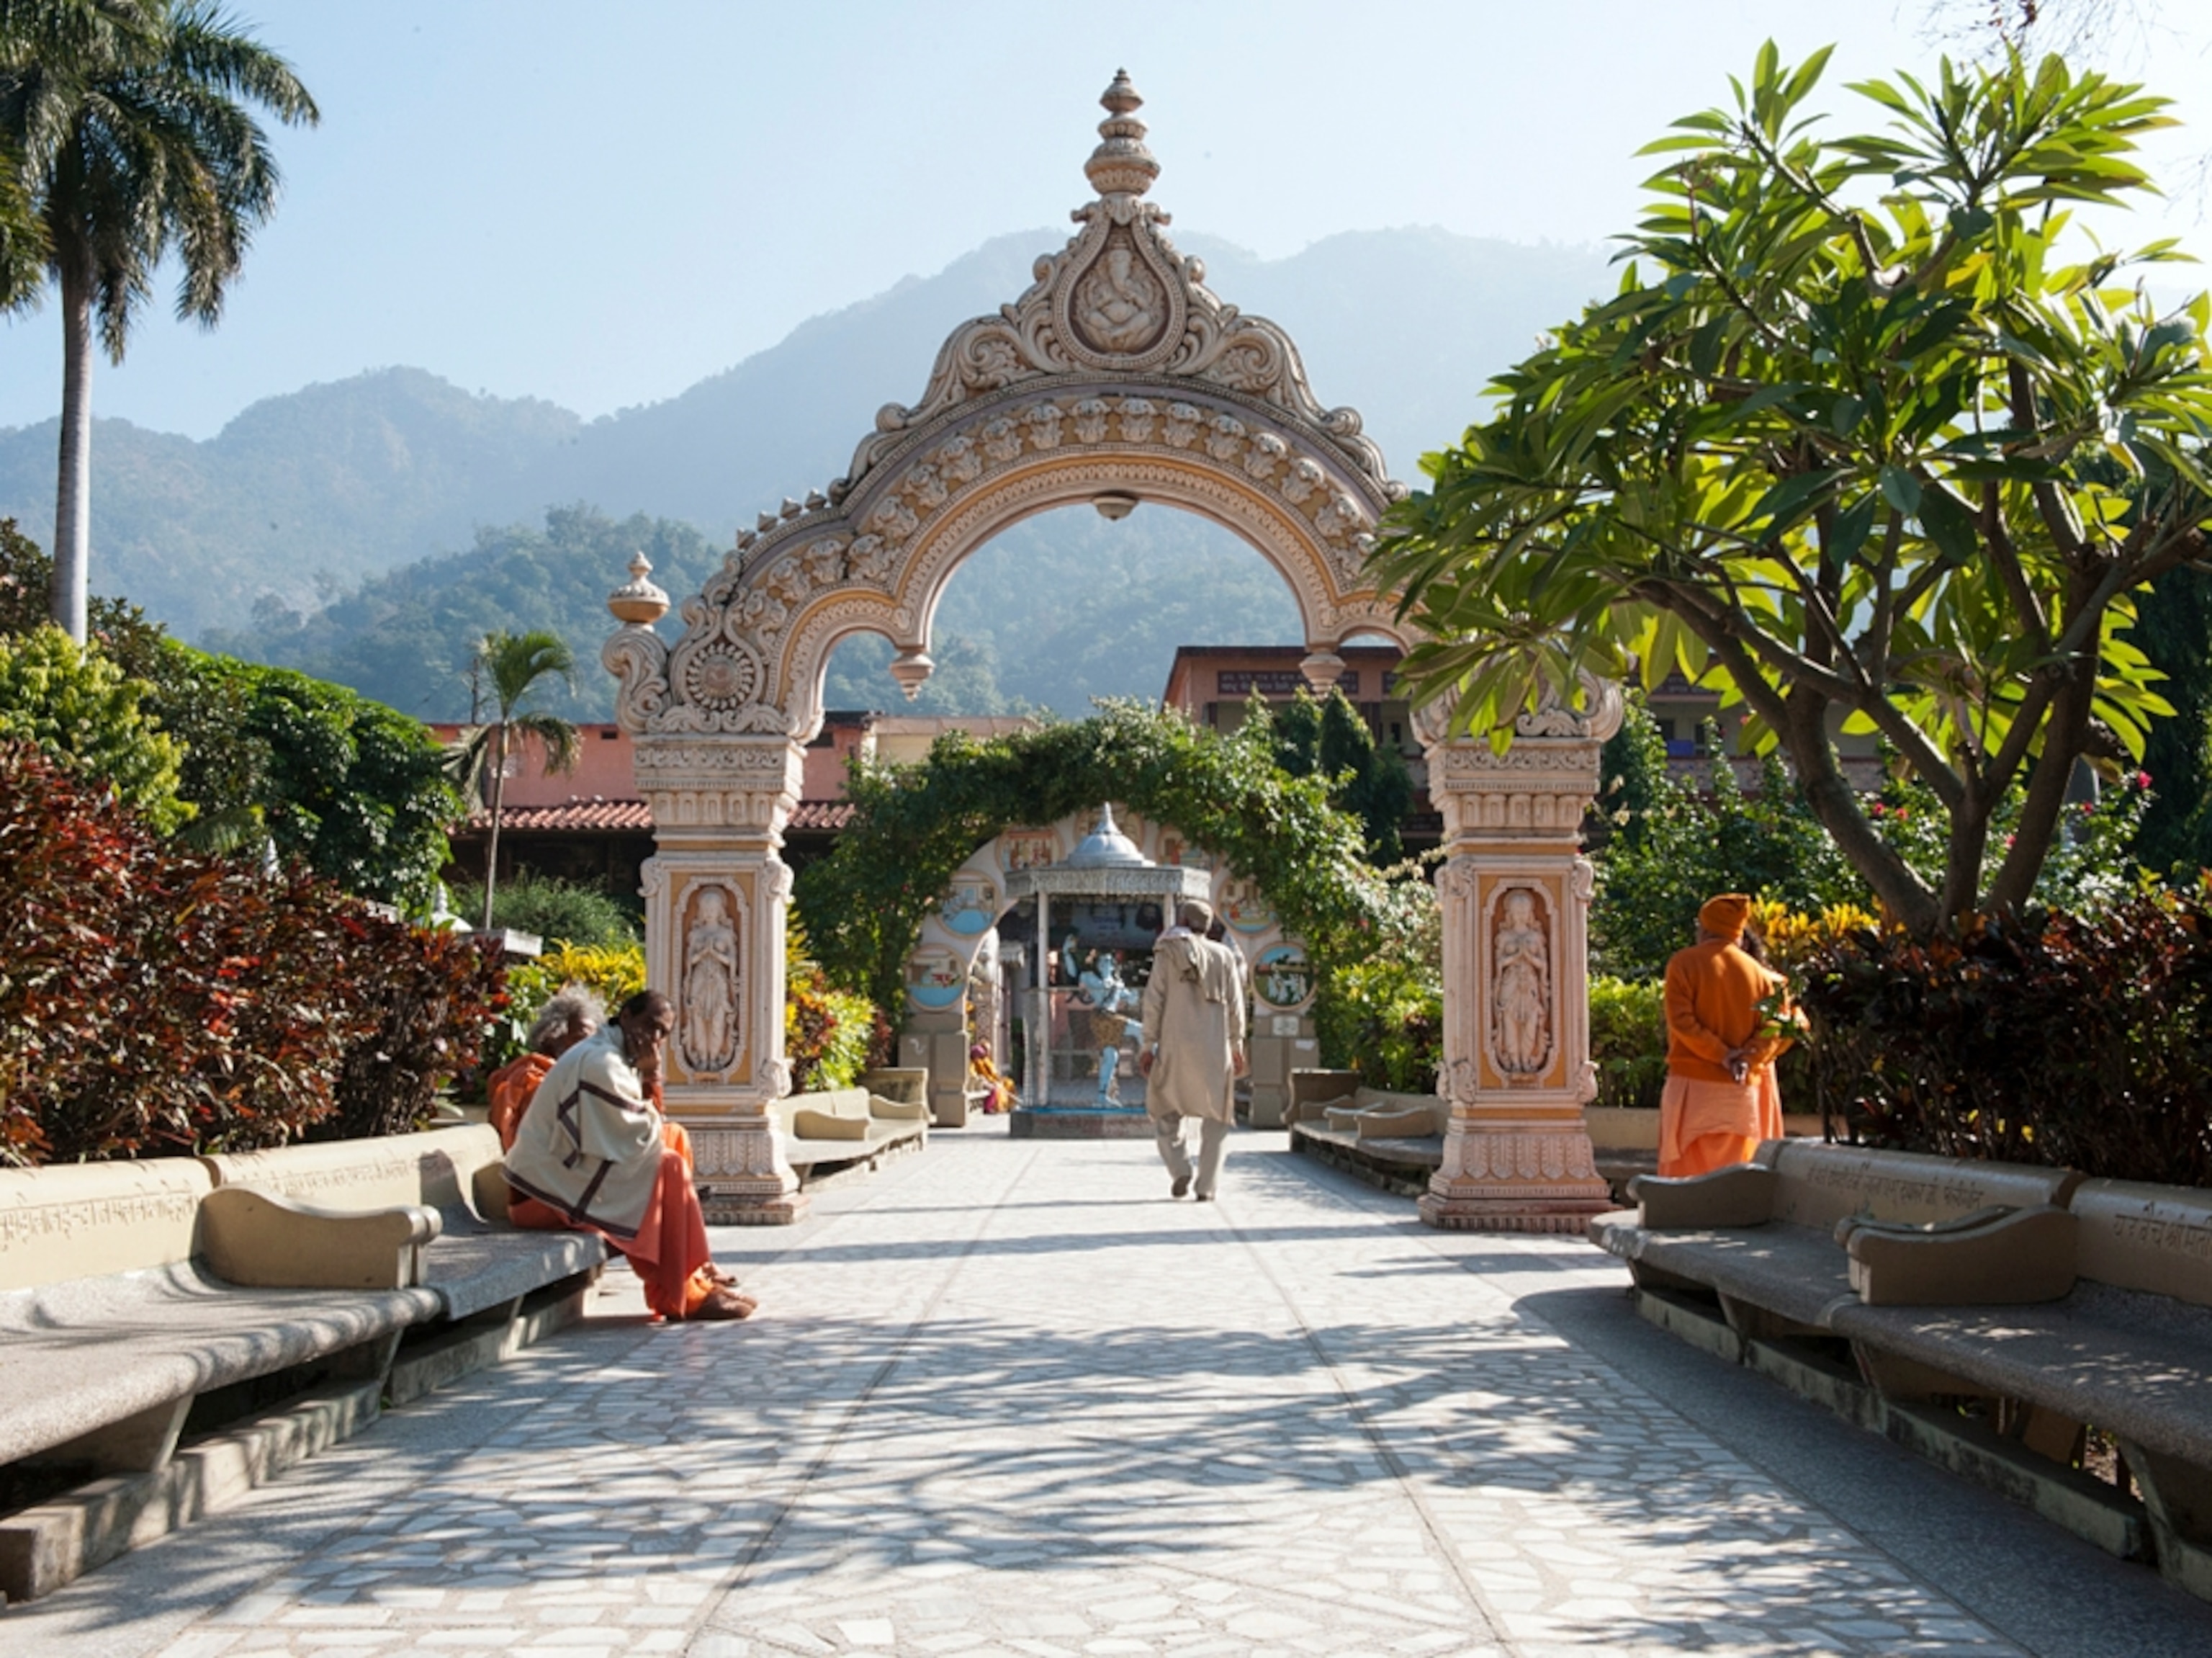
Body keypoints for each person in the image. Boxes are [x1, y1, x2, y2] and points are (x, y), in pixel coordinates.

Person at [505, 990, 755, 1321]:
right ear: (625, 1017)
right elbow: (636, 1137)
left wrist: (649, 1076)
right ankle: (679, 1291)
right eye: (649, 1026)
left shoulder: (615, 1054)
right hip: (543, 1196)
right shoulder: (601, 1062)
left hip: (567, 1178)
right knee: (669, 1165)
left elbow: (644, 1129)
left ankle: (694, 1273)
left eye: (662, 1033)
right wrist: (652, 1076)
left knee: (673, 1138)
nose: (653, 1037)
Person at [1658, 894, 1796, 1178]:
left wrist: (1722, 1054)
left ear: (1704, 928)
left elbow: (1682, 1023)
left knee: (1684, 1178)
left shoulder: (1683, 964)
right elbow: (1778, 1028)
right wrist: (1747, 1057)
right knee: (1735, 1174)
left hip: (1691, 1089)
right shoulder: (1763, 976)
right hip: (1741, 1086)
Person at [1138, 900, 1248, 1201]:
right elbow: (1237, 1006)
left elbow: (1154, 1000)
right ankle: (1206, 1187)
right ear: (1209, 926)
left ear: (1183, 920)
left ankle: (1179, 1168)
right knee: (1218, 1117)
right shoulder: (1225, 956)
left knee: (1165, 1108)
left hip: (1176, 1047)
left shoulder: (1167, 951)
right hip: (1216, 1047)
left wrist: (1148, 1044)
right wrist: (1237, 1044)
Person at [485, 987, 603, 1150]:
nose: (591, 1048)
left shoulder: (581, 1078)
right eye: (580, 1039)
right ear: (554, 1038)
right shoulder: (532, 1080)